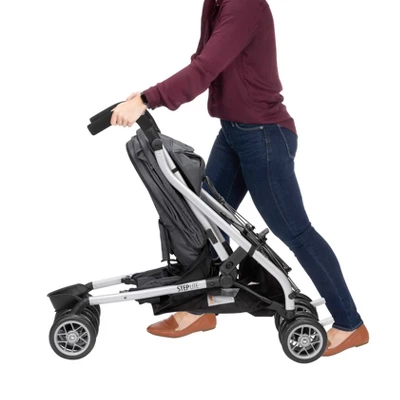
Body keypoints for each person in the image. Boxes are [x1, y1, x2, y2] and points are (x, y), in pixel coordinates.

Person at [110, 0, 369, 356]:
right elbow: (204, 61)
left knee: (296, 232)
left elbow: (205, 68)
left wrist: (147, 99)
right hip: (233, 133)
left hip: (263, 136)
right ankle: (198, 310)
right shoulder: (217, 3)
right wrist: (144, 98)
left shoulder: (245, 5)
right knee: (204, 224)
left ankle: (350, 324)